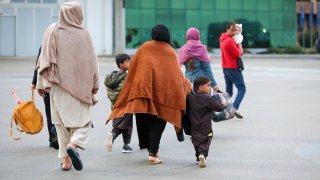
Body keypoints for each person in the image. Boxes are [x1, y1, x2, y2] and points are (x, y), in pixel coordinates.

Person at [108, 24, 191, 164]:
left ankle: (151, 150)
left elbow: (133, 69)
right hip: (162, 96)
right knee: (158, 124)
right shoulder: (170, 52)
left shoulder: (144, 48)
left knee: (144, 122)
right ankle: (153, 153)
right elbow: (176, 76)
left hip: (143, 94)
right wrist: (187, 85)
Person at [36, 2, 99, 171]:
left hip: (56, 85)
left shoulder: (52, 31)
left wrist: (40, 84)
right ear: (78, 14)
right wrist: (95, 84)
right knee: (83, 122)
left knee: (61, 124)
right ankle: (75, 144)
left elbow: (44, 58)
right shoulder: (84, 34)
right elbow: (92, 61)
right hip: (79, 86)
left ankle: (65, 162)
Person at [188, 76, 225, 168]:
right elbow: (218, 107)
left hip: (194, 124)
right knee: (206, 140)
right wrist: (223, 103)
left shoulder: (191, 98)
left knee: (196, 140)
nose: (210, 88)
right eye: (208, 86)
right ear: (200, 87)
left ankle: (198, 157)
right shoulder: (207, 99)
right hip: (206, 125)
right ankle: (202, 154)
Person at [105, 53, 134, 153]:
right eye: (127, 61)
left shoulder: (112, 78)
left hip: (115, 107)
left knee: (125, 124)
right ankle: (112, 135)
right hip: (126, 105)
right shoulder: (126, 77)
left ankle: (126, 145)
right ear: (120, 64)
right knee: (123, 125)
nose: (130, 63)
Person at [31, 46, 59, 150]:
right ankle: (56, 132)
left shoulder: (44, 45)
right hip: (60, 84)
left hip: (46, 83)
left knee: (49, 112)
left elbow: (38, 65)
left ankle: (52, 140)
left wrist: (35, 82)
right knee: (60, 111)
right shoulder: (65, 43)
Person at [179, 27, 219, 91]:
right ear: (197, 36)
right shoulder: (201, 48)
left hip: (188, 82)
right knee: (203, 100)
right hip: (201, 83)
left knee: (191, 100)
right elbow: (207, 69)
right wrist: (214, 84)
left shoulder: (183, 49)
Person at [220, 21, 246, 119]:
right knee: (242, 88)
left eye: (235, 30)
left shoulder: (222, 38)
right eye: (232, 30)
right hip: (233, 68)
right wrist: (239, 46)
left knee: (229, 91)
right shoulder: (230, 41)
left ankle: (226, 110)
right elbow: (238, 54)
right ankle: (234, 108)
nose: (234, 32)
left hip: (225, 67)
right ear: (227, 29)